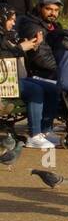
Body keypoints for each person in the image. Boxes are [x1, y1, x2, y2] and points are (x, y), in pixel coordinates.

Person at [2, 13, 60, 149]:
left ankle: (46, 131)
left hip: (12, 78)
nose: (13, 23)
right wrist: (21, 48)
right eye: (10, 20)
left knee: (52, 88)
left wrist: (34, 46)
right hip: (4, 82)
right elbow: (5, 55)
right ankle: (34, 135)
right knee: (35, 91)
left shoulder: (7, 34)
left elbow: (13, 53)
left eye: (14, 20)